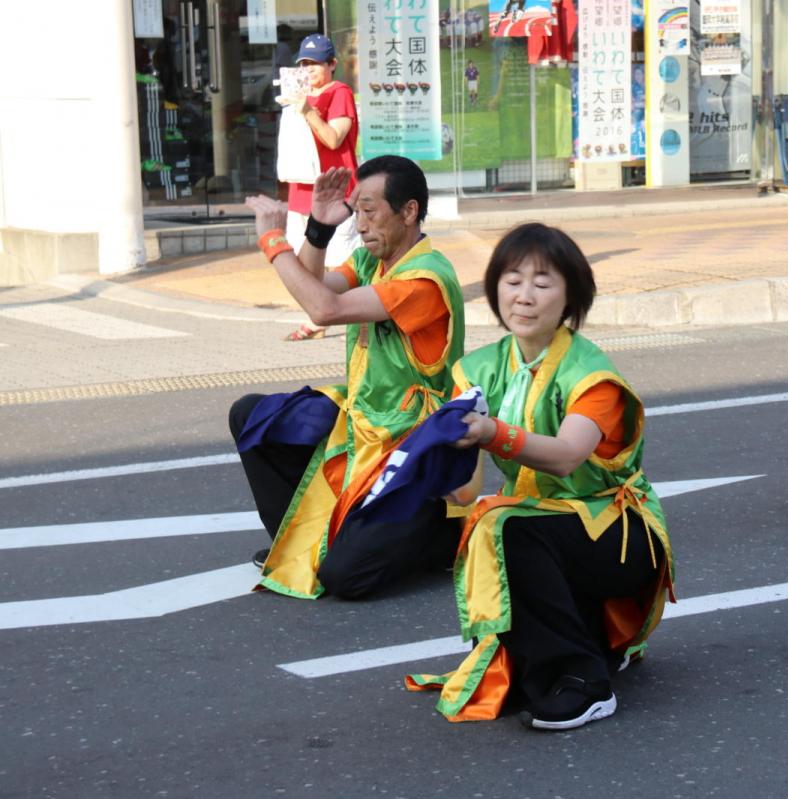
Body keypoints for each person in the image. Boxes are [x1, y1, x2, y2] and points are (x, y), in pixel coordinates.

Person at [407, 223, 674, 731]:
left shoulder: (590, 372)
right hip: (547, 529)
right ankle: (578, 648)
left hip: (618, 533)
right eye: (512, 280)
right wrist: (421, 465)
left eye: (542, 282)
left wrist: (491, 433)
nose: (523, 296)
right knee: (488, 522)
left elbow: (567, 456)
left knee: (505, 527)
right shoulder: (478, 369)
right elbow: (466, 489)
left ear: (571, 295)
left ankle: (585, 682)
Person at [234, 156, 466, 600]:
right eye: (356, 211)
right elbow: (313, 287)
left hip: (411, 445)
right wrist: (318, 229)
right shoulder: (369, 260)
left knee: (345, 578)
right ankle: (297, 538)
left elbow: (325, 310)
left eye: (370, 211)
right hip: (362, 421)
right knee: (252, 417)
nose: (360, 224)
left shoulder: (425, 278)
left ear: (409, 211)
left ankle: (440, 530)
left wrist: (273, 240)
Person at [283, 33, 360, 340]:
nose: (309, 69)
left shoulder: (340, 92)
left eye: (315, 63)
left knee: (342, 258)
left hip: (335, 190)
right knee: (307, 258)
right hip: (302, 190)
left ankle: (358, 315)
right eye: (304, 63)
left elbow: (333, 138)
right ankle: (319, 315)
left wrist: (307, 110)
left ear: (332, 64)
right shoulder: (298, 96)